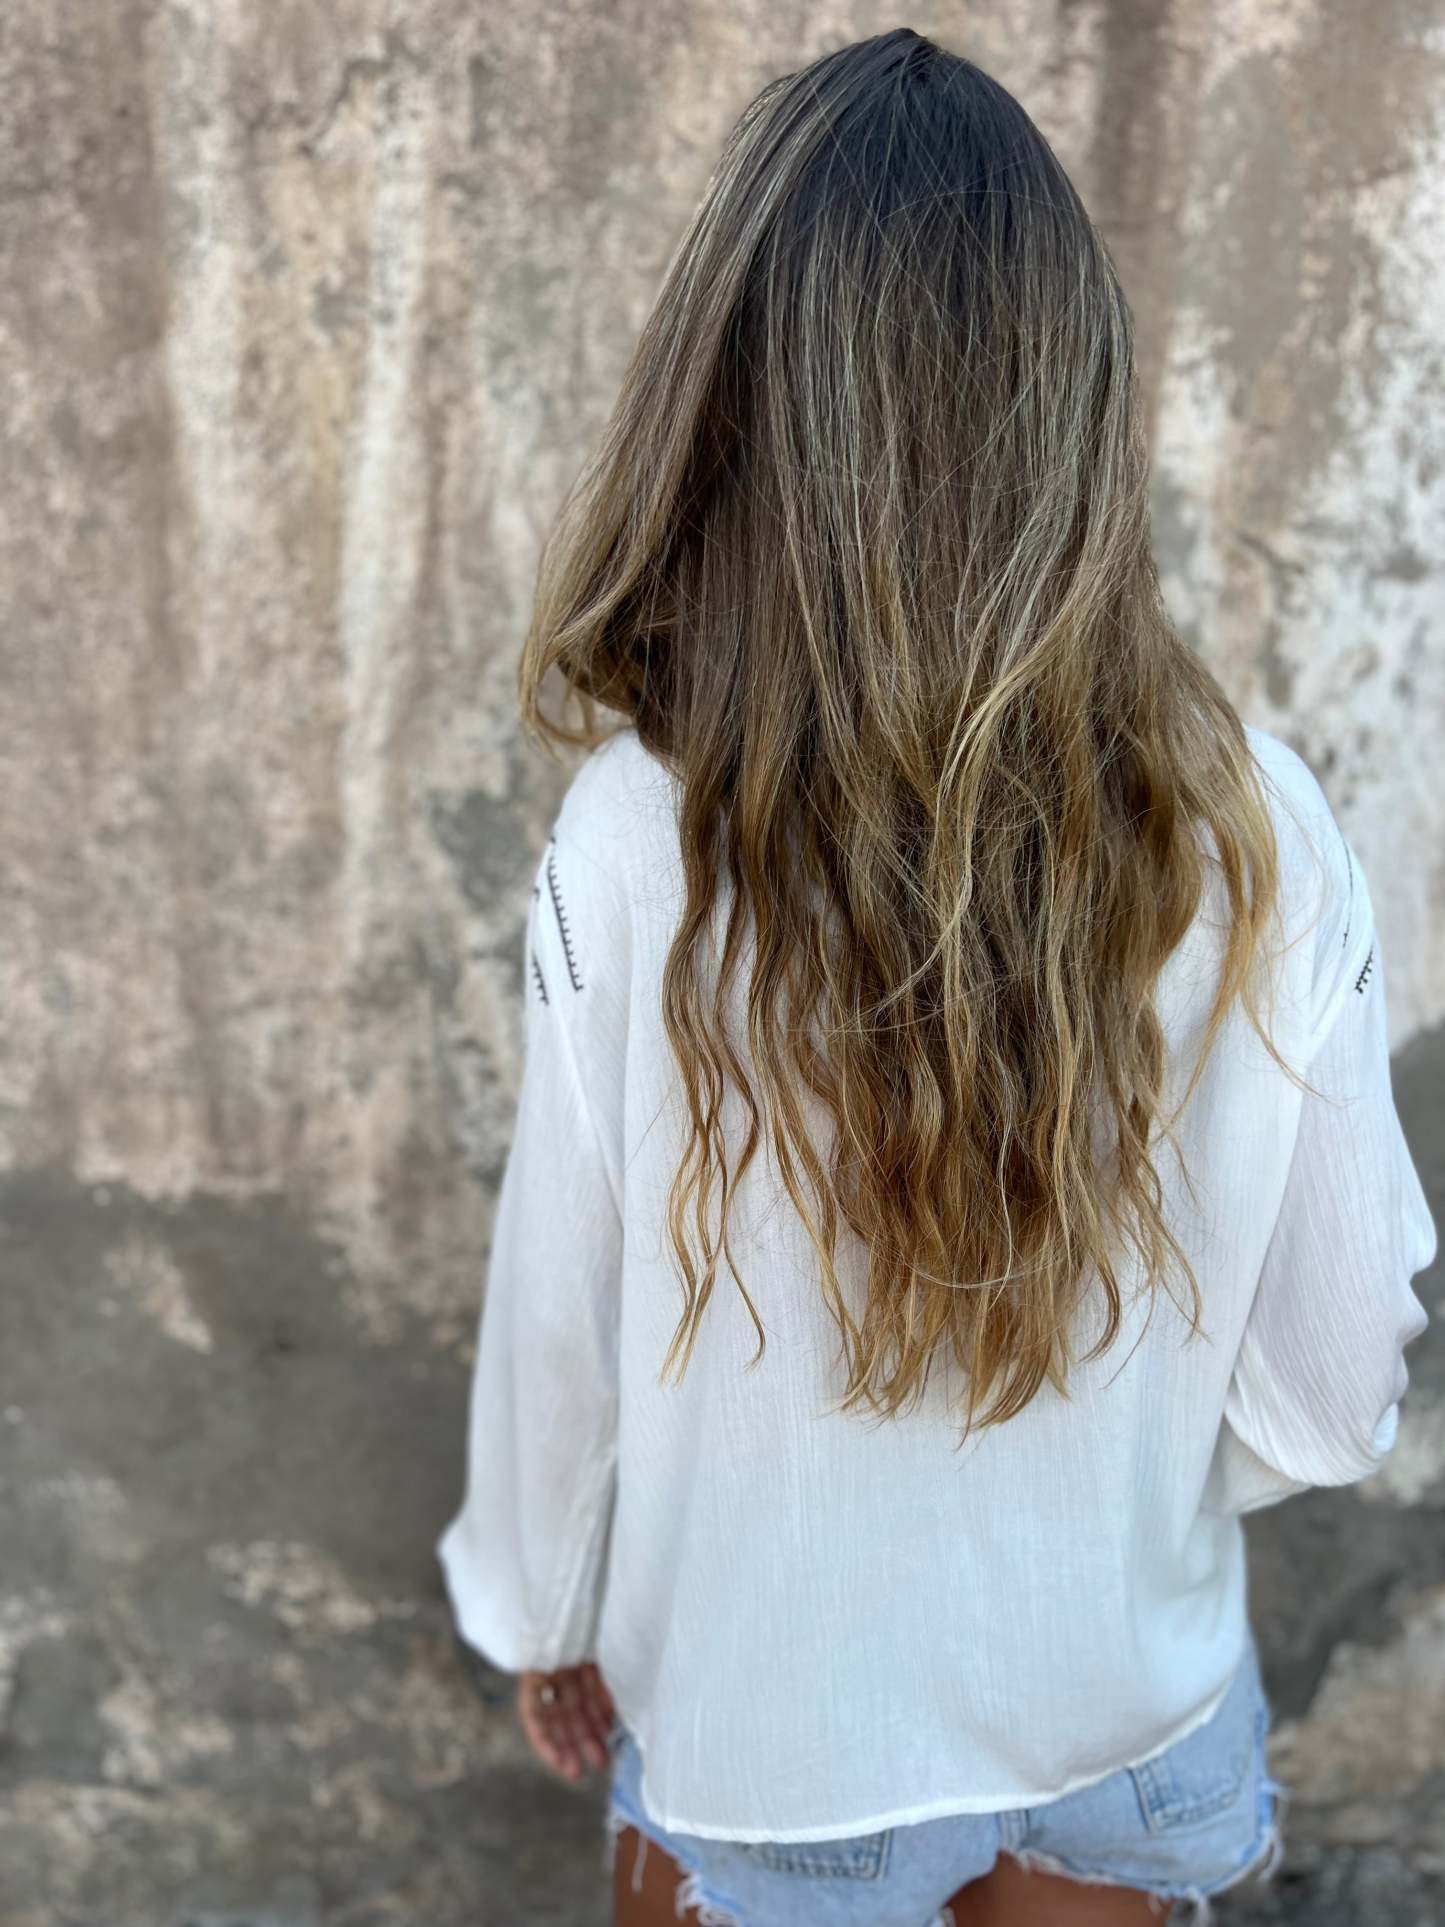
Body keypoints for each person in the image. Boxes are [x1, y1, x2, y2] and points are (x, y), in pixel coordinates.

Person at [438, 29, 1436, 1927]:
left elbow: (563, 1306)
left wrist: (541, 1607)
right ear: (1071, 400)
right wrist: (1101, 1494)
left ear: (724, 403)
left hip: (769, 1744)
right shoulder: (1253, 816)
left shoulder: (639, 834)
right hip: (1129, 1725)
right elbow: (1326, 1389)